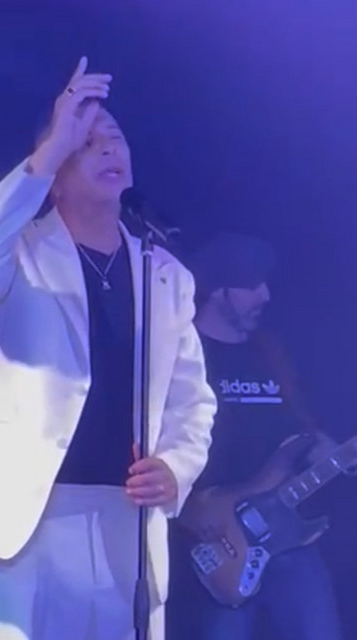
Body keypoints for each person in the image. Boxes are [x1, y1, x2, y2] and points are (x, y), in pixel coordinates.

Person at [0, 57, 216, 640]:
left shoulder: (164, 274)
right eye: (85, 143)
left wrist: (176, 468)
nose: (107, 147)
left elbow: (192, 402)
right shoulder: (17, 255)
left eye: (115, 137)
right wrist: (53, 145)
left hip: (125, 516)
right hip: (26, 514)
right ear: (54, 172)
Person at [168, 232, 342, 640]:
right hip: (216, 542)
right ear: (217, 290)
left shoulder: (272, 352)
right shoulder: (183, 353)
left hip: (289, 535)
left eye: (265, 282)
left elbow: (299, 428)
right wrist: (191, 507)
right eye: (250, 285)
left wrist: (324, 449)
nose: (264, 294)